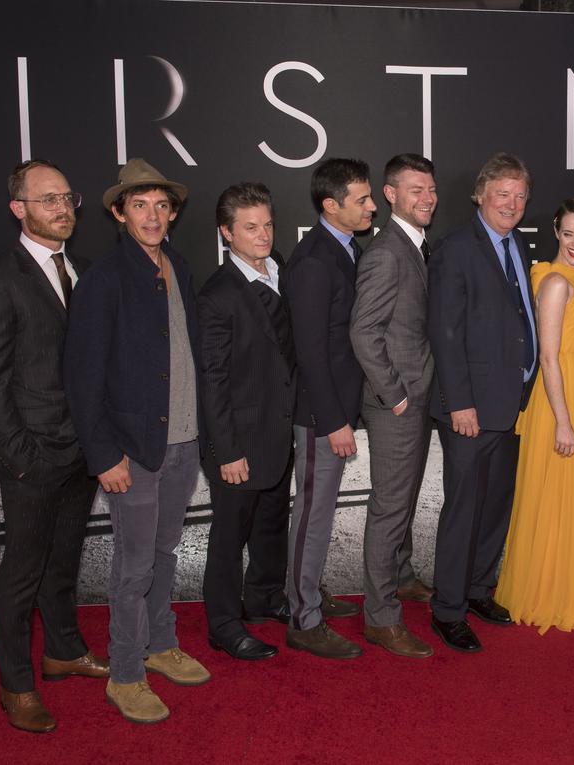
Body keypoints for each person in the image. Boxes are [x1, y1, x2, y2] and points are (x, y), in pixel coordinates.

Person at [65, 158, 210, 725]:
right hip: (132, 450)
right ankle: (125, 673)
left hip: (183, 442)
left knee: (164, 553)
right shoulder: (103, 280)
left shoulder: (179, 266)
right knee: (134, 567)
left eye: (161, 205)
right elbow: (83, 377)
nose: (152, 216)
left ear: (172, 213)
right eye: (140, 205)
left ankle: (160, 643)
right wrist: (104, 455)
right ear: (119, 213)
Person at [0, 159, 108, 733]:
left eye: (67, 198)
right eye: (47, 199)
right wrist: (20, 456)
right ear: (18, 209)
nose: (61, 208)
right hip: (32, 458)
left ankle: (64, 651)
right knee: (22, 576)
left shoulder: (81, 271)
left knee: (64, 562)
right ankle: (16, 685)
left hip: (81, 453)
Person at [427, 152, 538, 653]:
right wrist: (459, 403)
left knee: (495, 507)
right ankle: (448, 609)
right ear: (480, 196)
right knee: (464, 510)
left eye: (520, 196)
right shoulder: (456, 248)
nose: (511, 204)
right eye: (502, 194)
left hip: (511, 404)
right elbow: (445, 333)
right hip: (471, 409)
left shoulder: (518, 244)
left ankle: (477, 589)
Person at [197, 183, 292, 661]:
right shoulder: (218, 295)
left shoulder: (279, 270)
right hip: (238, 442)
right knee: (229, 538)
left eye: (268, 225)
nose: (263, 235)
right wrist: (227, 451)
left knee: (272, 525)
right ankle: (223, 624)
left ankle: (265, 598)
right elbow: (212, 381)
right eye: (251, 228)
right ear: (227, 233)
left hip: (277, 432)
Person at [496, 197, 574, 634]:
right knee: (551, 495)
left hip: (573, 391)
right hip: (556, 397)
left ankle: (556, 585)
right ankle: (543, 593)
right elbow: (549, 357)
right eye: (568, 233)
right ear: (556, 232)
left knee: (562, 494)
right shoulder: (556, 282)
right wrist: (563, 419)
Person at [349, 153, 439, 659]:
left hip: (415, 396)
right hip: (396, 405)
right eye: (415, 190)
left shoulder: (414, 244)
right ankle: (381, 618)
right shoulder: (386, 253)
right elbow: (364, 332)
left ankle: (401, 576)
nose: (427, 198)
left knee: (403, 500)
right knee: (389, 508)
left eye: (431, 189)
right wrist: (396, 394)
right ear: (390, 194)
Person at [284, 158, 374, 659]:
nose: (372, 206)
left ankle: (309, 593)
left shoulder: (343, 248)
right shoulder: (315, 260)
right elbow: (310, 350)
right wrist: (334, 419)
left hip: (335, 407)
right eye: (362, 199)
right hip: (321, 414)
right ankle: (303, 618)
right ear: (330, 205)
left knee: (317, 513)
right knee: (313, 517)